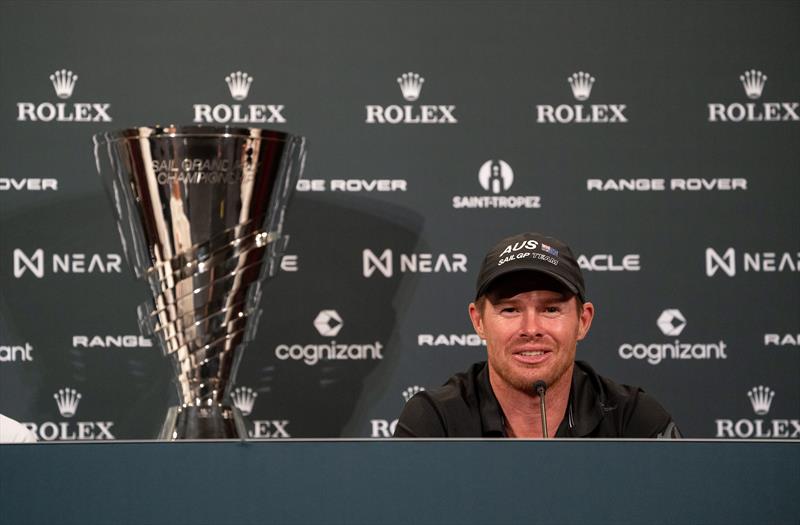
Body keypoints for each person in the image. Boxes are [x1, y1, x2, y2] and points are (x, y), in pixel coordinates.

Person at [395, 232, 681, 438]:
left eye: (551, 309)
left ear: (583, 321)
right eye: (510, 310)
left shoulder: (632, 419)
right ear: (478, 321)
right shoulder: (435, 422)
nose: (531, 329)